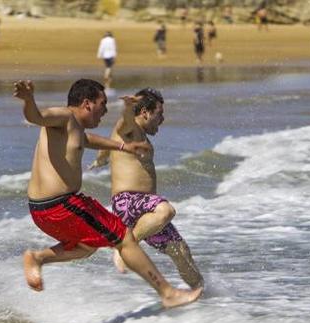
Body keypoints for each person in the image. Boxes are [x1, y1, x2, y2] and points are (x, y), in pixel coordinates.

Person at [13, 78, 203, 308]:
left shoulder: (74, 129)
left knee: (87, 246)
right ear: (87, 104)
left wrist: (123, 147)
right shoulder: (64, 117)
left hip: (42, 210)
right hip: (62, 205)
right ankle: (167, 292)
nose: (104, 111)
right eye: (102, 104)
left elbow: (87, 140)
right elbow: (37, 117)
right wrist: (28, 99)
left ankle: (38, 257)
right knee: (124, 237)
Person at [89, 89, 204, 289]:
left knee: (182, 252)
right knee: (166, 210)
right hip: (129, 202)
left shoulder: (131, 136)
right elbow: (124, 124)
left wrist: (101, 160)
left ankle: (201, 294)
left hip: (146, 215)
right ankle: (124, 247)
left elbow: (108, 146)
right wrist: (127, 109)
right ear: (145, 113)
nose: (163, 119)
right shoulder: (131, 130)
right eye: (159, 114)